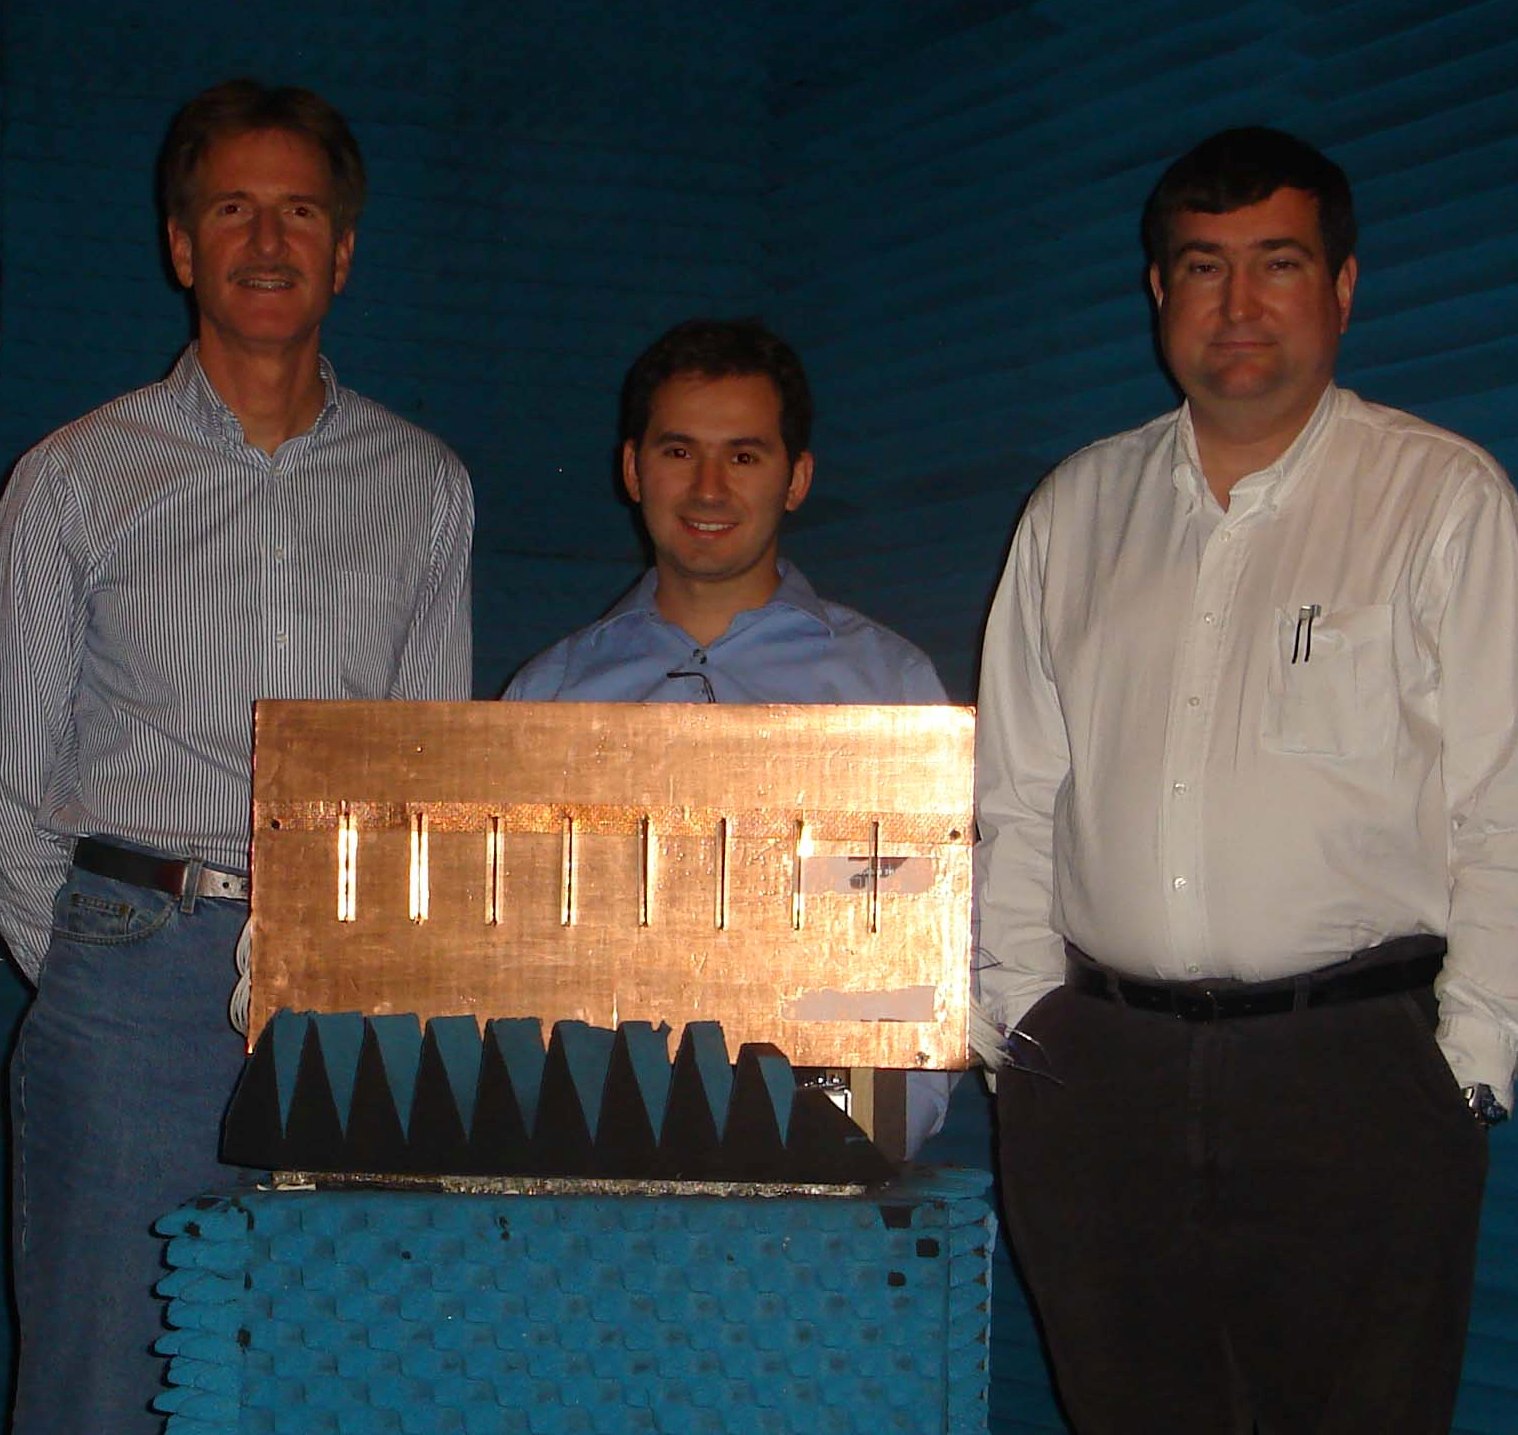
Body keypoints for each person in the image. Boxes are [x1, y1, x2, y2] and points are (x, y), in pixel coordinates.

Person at [974, 126, 1514, 1433]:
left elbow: (1499, 798)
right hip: (1098, 1082)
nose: (1237, 302)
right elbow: (1013, 793)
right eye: (1202, 266)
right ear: (1157, 293)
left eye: (1276, 264)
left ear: (1340, 288)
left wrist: (1469, 1063)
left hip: (1357, 1079)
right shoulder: (1072, 510)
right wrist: (1020, 1032)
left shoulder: (1439, 497)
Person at [0, 80, 473, 1432]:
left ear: (343, 251)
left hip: (341, 988)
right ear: (180, 245)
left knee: (321, 1370)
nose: (268, 239)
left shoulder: (424, 484)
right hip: (130, 970)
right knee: (104, 1376)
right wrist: (106, 949)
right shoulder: (75, 478)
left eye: (301, 210)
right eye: (232, 208)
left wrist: (356, 964)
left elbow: (423, 776)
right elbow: (13, 774)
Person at [505, 317, 950, 1152]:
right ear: (633, 469)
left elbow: (926, 948)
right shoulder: (548, 696)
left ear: (797, 477)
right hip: (591, 1146)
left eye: (744, 455)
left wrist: (868, 1133)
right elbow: (508, 955)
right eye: (679, 452)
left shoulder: (887, 688)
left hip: (821, 1142)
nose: (709, 488)